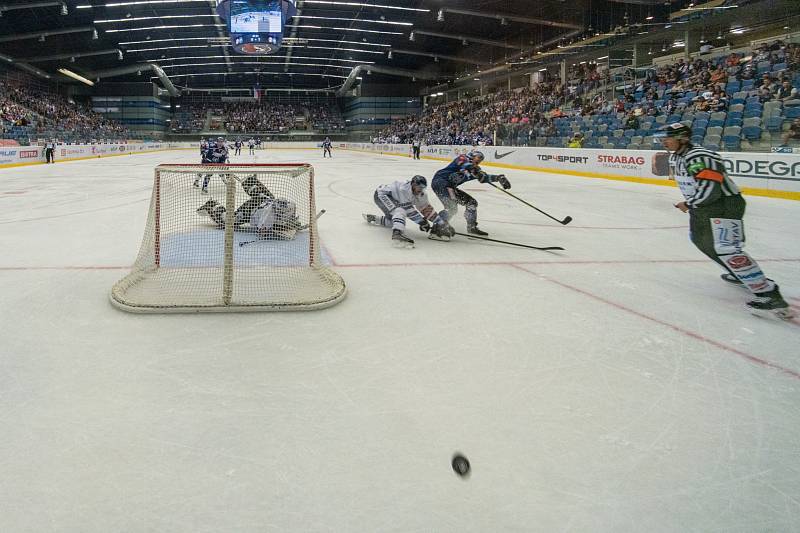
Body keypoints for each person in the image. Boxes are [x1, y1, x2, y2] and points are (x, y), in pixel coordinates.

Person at [658, 123, 793, 319]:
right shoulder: (678, 156)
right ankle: (740, 273)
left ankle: (768, 293)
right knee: (702, 241)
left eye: (668, 137)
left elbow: (710, 188)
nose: (664, 141)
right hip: (703, 208)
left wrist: (690, 204)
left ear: (683, 138)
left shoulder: (699, 156)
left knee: (726, 248)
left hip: (723, 205)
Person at [196, 175, 302, 241]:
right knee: (229, 221)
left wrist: (292, 223)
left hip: (263, 200)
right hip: (250, 211)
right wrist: (280, 230)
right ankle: (211, 205)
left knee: (267, 196)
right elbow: (262, 232)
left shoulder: (290, 205)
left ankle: (250, 182)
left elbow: (292, 218)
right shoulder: (269, 214)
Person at [431, 150, 510, 236]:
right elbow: (465, 164)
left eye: (480, 161)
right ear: (472, 156)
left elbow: (484, 178)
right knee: (451, 207)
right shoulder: (462, 158)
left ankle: (472, 227)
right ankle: (437, 228)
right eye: (478, 159)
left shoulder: (474, 170)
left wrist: (498, 178)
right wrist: (474, 169)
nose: (479, 162)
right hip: (440, 182)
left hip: (450, 187)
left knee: (471, 203)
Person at [363, 175, 455, 248]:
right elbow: (409, 211)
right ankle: (397, 234)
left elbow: (426, 209)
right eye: (418, 187)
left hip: (393, 199)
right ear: (413, 185)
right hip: (382, 195)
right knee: (399, 211)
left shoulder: (422, 194)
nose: (420, 190)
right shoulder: (404, 189)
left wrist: (442, 223)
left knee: (393, 222)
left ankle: (375, 219)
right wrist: (422, 222)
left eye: (422, 187)